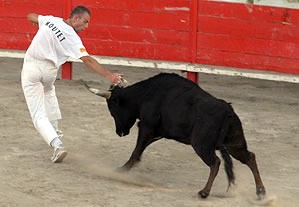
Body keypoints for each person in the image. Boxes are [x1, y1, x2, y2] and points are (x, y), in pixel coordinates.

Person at [21, 6, 122, 163]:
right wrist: (109, 75)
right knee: (48, 93)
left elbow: (30, 15)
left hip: (32, 68)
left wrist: (42, 25)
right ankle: (55, 131)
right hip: (49, 73)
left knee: (38, 114)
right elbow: (87, 60)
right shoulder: (73, 38)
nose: (86, 26)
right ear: (75, 18)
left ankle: (57, 144)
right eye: (85, 21)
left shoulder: (50, 20)